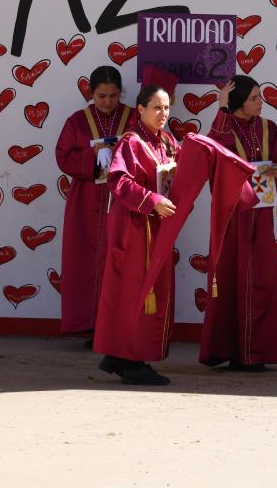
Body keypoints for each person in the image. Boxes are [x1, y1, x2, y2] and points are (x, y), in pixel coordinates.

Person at [199, 75, 277, 371]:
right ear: (239, 103)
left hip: (262, 215)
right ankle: (231, 350)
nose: (260, 103)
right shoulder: (224, 126)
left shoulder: (269, 128)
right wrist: (222, 109)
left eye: (260, 97)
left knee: (262, 279)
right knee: (230, 278)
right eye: (254, 98)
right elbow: (213, 155)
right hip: (232, 217)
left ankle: (257, 352)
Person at [94, 71, 181, 385]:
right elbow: (118, 181)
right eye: (157, 108)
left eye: (167, 108)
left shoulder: (168, 142)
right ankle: (130, 360)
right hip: (134, 230)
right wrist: (152, 199)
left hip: (154, 228)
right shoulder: (132, 142)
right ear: (140, 110)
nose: (163, 114)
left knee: (142, 292)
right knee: (134, 292)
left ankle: (120, 354)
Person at [55, 65, 136, 339]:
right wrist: (93, 157)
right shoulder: (77, 121)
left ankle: (117, 327)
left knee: (121, 261)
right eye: (101, 96)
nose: (108, 102)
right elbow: (63, 157)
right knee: (84, 260)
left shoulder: (133, 117)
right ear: (91, 93)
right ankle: (87, 325)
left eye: (113, 95)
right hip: (86, 202)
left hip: (123, 199)